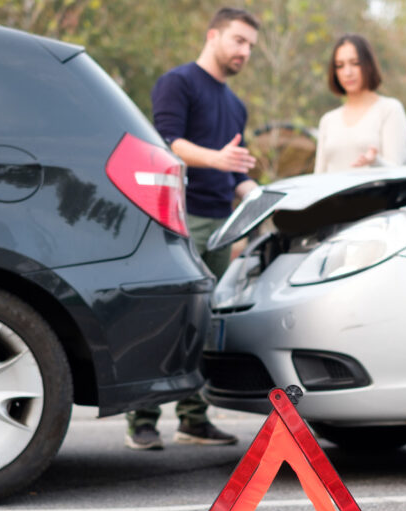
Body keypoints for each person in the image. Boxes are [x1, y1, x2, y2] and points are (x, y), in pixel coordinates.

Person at [125, 7, 260, 451]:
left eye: (251, 46)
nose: (245, 51)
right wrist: (217, 159)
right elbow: (166, 144)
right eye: (238, 40)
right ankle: (142, 419)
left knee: (203, 323)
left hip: (221, 225)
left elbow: (235, 173)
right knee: (164, 317)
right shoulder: (177, 83)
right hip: (176, 219)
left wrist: (255, 192)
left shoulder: (236, 104)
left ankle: (193, 420)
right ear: (213, 35)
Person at [314, 34, 406, 173]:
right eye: (340, 66)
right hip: (335, 196)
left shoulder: (389, 110)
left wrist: (375, 162)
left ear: (369, 65)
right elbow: (319, 176)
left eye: (355, 63)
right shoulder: (328, 120)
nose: (347, 72)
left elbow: (396, 171)